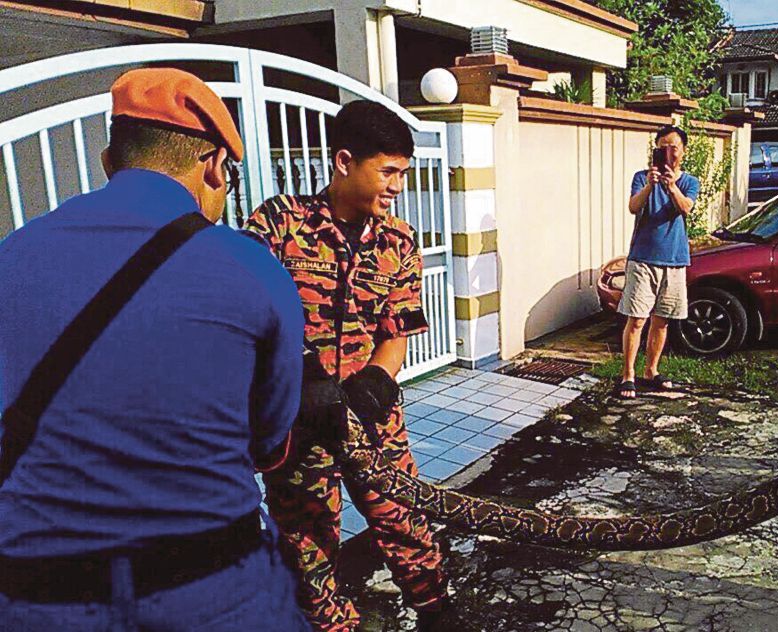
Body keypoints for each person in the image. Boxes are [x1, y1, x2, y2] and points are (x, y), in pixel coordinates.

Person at [0, 68, 311, 631]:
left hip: (37, 596)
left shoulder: (10, 257)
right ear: (215, 165)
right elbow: (270, 439)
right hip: (212, 591)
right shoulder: (252, 269)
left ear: (107, 163)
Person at [243, 100, 448, 631]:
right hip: (298, 421)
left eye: (404, 173)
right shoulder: (278, 223)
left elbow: (396, 335)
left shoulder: (399, 242)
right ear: (343, 162)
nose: (398, 185)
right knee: (307, 541)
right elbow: (251, 310)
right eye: (388, 172)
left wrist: (372, 386)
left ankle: (436, 609)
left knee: (403, 521)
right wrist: (306, 377)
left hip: (370, 419)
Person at [618, 125, 700, 398]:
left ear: (683, 151)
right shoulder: (642, 177)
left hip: (674, 260)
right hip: (642, 259)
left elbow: (685, 207)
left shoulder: (689, 181)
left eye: (673, 146)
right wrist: (652, 185)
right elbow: (633, 206)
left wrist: (671, 186)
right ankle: (628, 374)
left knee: (662, 321)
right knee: (637, 319)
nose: (668, 151)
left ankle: (650, 371)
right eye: (662, 146)